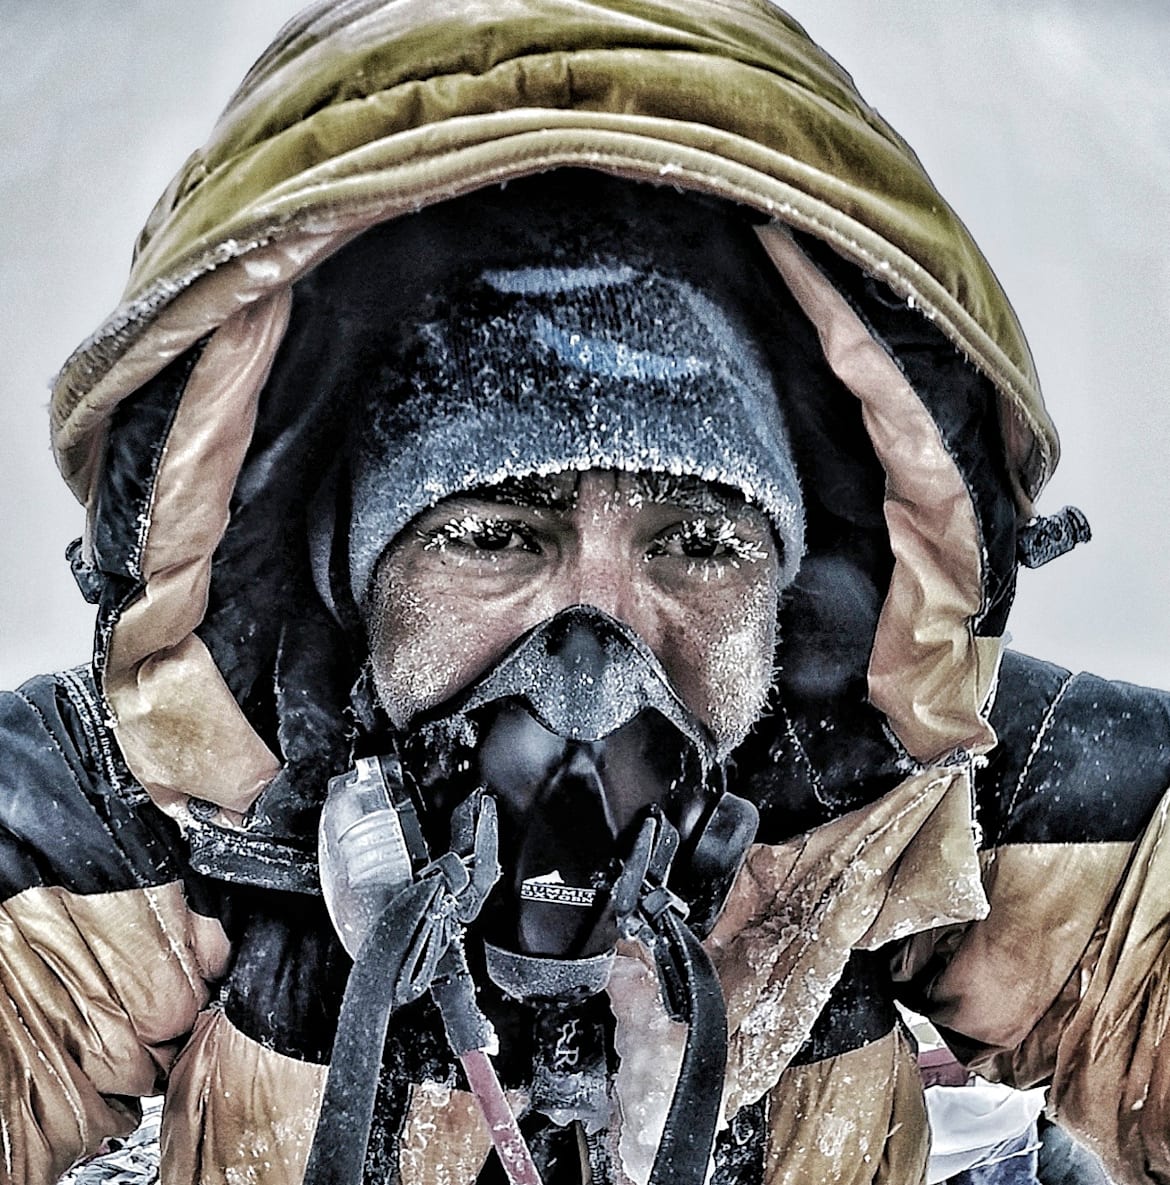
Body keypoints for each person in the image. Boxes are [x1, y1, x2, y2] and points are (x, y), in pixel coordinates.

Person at [2, 2, 1167, 1183]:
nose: (599, 648)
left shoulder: (913, 787)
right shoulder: (157, 796)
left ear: (791, 591)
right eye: (498, 533)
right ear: (352, 577)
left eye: (700, 541)